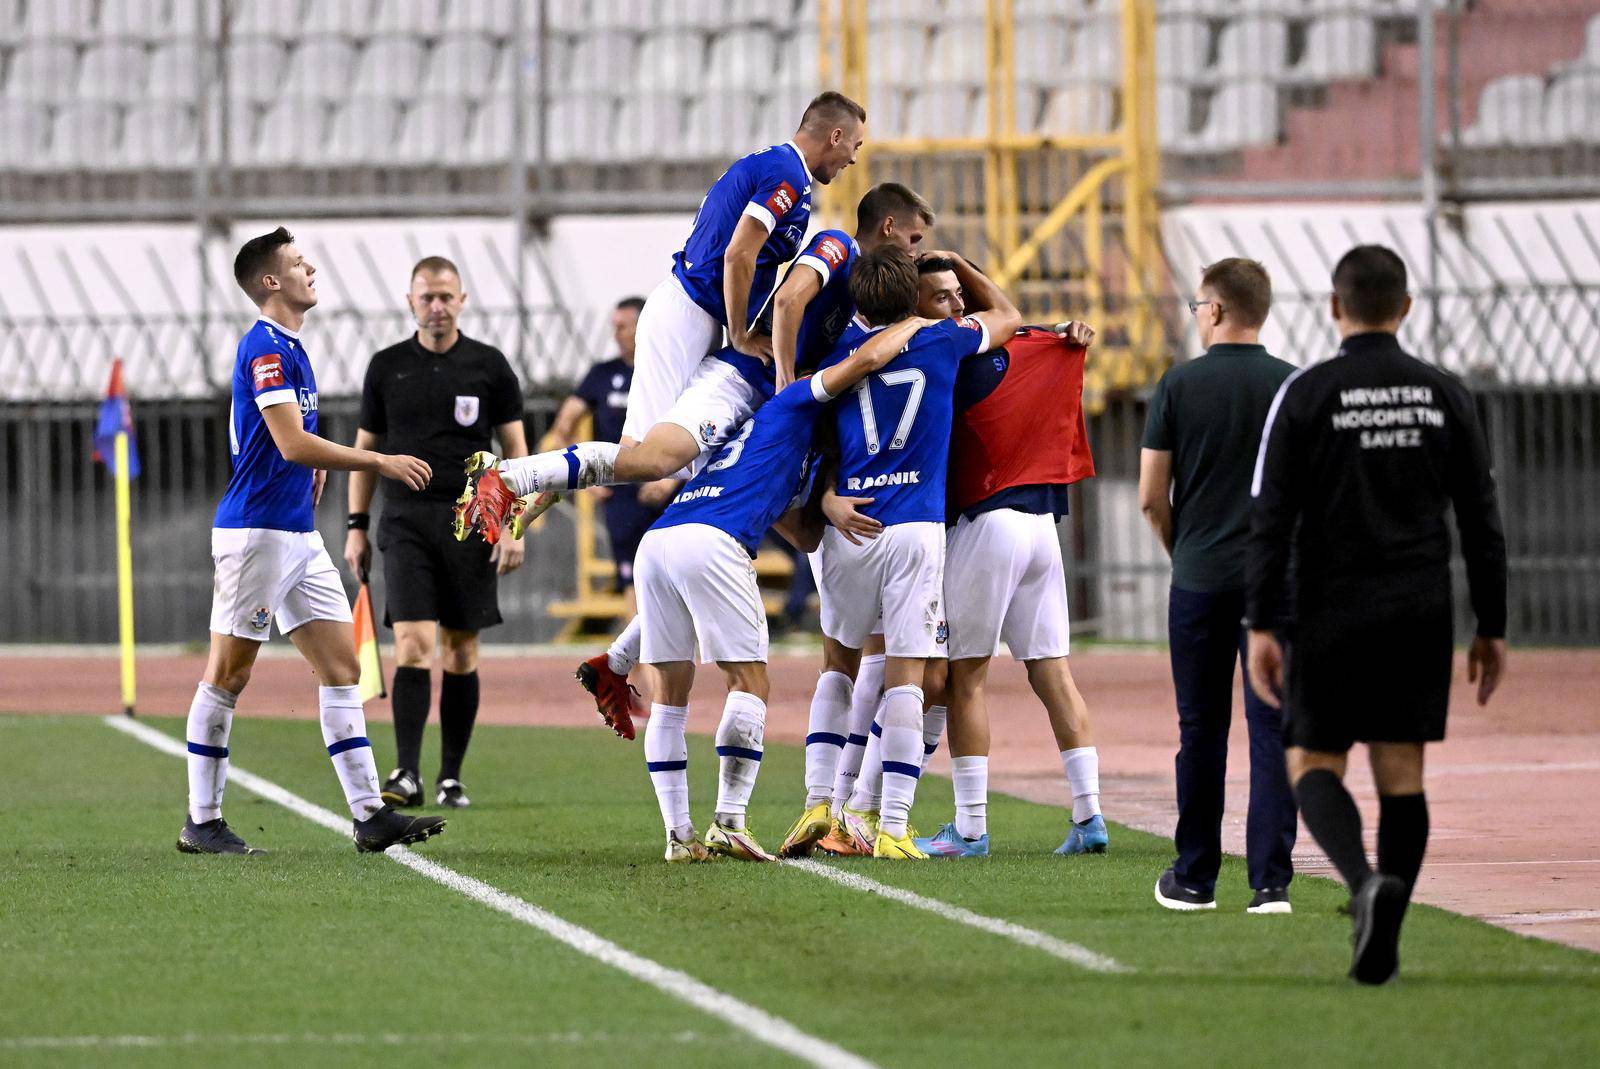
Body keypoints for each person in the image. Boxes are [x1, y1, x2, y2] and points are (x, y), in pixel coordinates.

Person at [1245, 244, 1507, 983]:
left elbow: (1271, 516)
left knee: (1311, 760)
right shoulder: (1444, 392)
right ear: (1406, 308)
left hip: (1329, 604)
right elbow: (1481, 518)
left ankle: (1365, 887)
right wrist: (1493, 623)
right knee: (1402, 772)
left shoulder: (1306, 393)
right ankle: (1384, 922)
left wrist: (1262, 620)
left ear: (1335, 307)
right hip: (1419, 605)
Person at [180, 227, 445, 855]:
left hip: (297, 536)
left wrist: (316, 466)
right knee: (228, 673)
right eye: (299, 263)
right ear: (271, 281)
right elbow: (290, 442)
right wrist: (375, 463)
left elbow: (288, 442)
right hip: (257, 535)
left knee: (343, 666)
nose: (311, 269)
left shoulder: (292, 347)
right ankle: (203, 820)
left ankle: (370, 815)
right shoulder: (266, 349)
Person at [635, 314, 937, 863]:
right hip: (713, 540)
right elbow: (865, 361)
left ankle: (678, 836)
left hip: (659, 541)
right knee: (749, 682)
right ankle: (730, 820)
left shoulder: (762, 435)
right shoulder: (796, 401)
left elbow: (799, 535)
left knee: (670, 696)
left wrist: (821, 503)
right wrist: (918, 322)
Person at [815, 246, 1021, 859]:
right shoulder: (943, 341)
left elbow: (816, 437)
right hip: (913, 527)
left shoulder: (838, 357)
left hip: (850, 525)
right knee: (910, 676)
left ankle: (821, 805)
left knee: (839, 665)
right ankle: (893, 828)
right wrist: (960, 264)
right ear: (911, 299)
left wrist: (826, 497)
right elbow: (1007, 315)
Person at [909, 253, 1104, 860]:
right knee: (1053, 673)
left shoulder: (946, 354)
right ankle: (1089, 815)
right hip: (1043, 526)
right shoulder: (1030, 342)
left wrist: (949, 273)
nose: (957, 304)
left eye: (955, 293)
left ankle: (969, 830)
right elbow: (1028, 326)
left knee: (966, 680)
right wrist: (1066, 333)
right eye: (942, 295)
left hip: (989, 523)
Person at [1139, 258, 1300, 914]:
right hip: (1276, 584)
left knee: (1201, 729)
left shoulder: (1178, 386)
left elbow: (1152, 496)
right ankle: (1270, 883)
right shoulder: (1294, 386)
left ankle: (1196, 875)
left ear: (1214, 310)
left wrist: (1189, 553)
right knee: (1273, 727)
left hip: (1200, 579)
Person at [343, 256, 527, 811]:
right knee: (413, 646)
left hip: (472, 522)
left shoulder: (489, 366)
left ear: (462, 300)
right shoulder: (387, 367)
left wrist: (514, 526)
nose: (437, 307)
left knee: (461, 650)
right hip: (404, 524)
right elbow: (364, 453)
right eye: (427, 297)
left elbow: (518, 452)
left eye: (446, 296)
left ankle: (450, 777)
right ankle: (405, 772)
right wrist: (356, 527)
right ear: (411, 302)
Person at [545, 296, 679, 629]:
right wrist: (585, 481)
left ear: (642, 326)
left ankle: (671, 658)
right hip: (622, 492)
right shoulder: (602, 375)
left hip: (669, 487)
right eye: (613, 327)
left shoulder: (671, 369)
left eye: (623, 326)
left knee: (673, 575)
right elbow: (562, 428)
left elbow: (699, 428)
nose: (616, 333)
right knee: (632, 579)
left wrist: (673, 478)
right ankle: (640, 662)